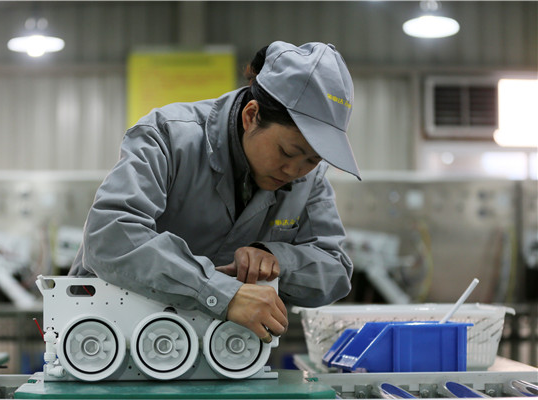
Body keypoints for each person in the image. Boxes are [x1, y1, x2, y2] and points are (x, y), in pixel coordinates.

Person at [69, 41, 360, 344]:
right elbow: (110, 236)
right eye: (287, 152)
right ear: (251, 115)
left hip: (222, 353)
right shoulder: (168, 137)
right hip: (107, 339)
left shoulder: (309, 180)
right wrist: (220, 292)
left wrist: (276, 259)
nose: (295, 170)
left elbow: (335, 271)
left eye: (313, 160)